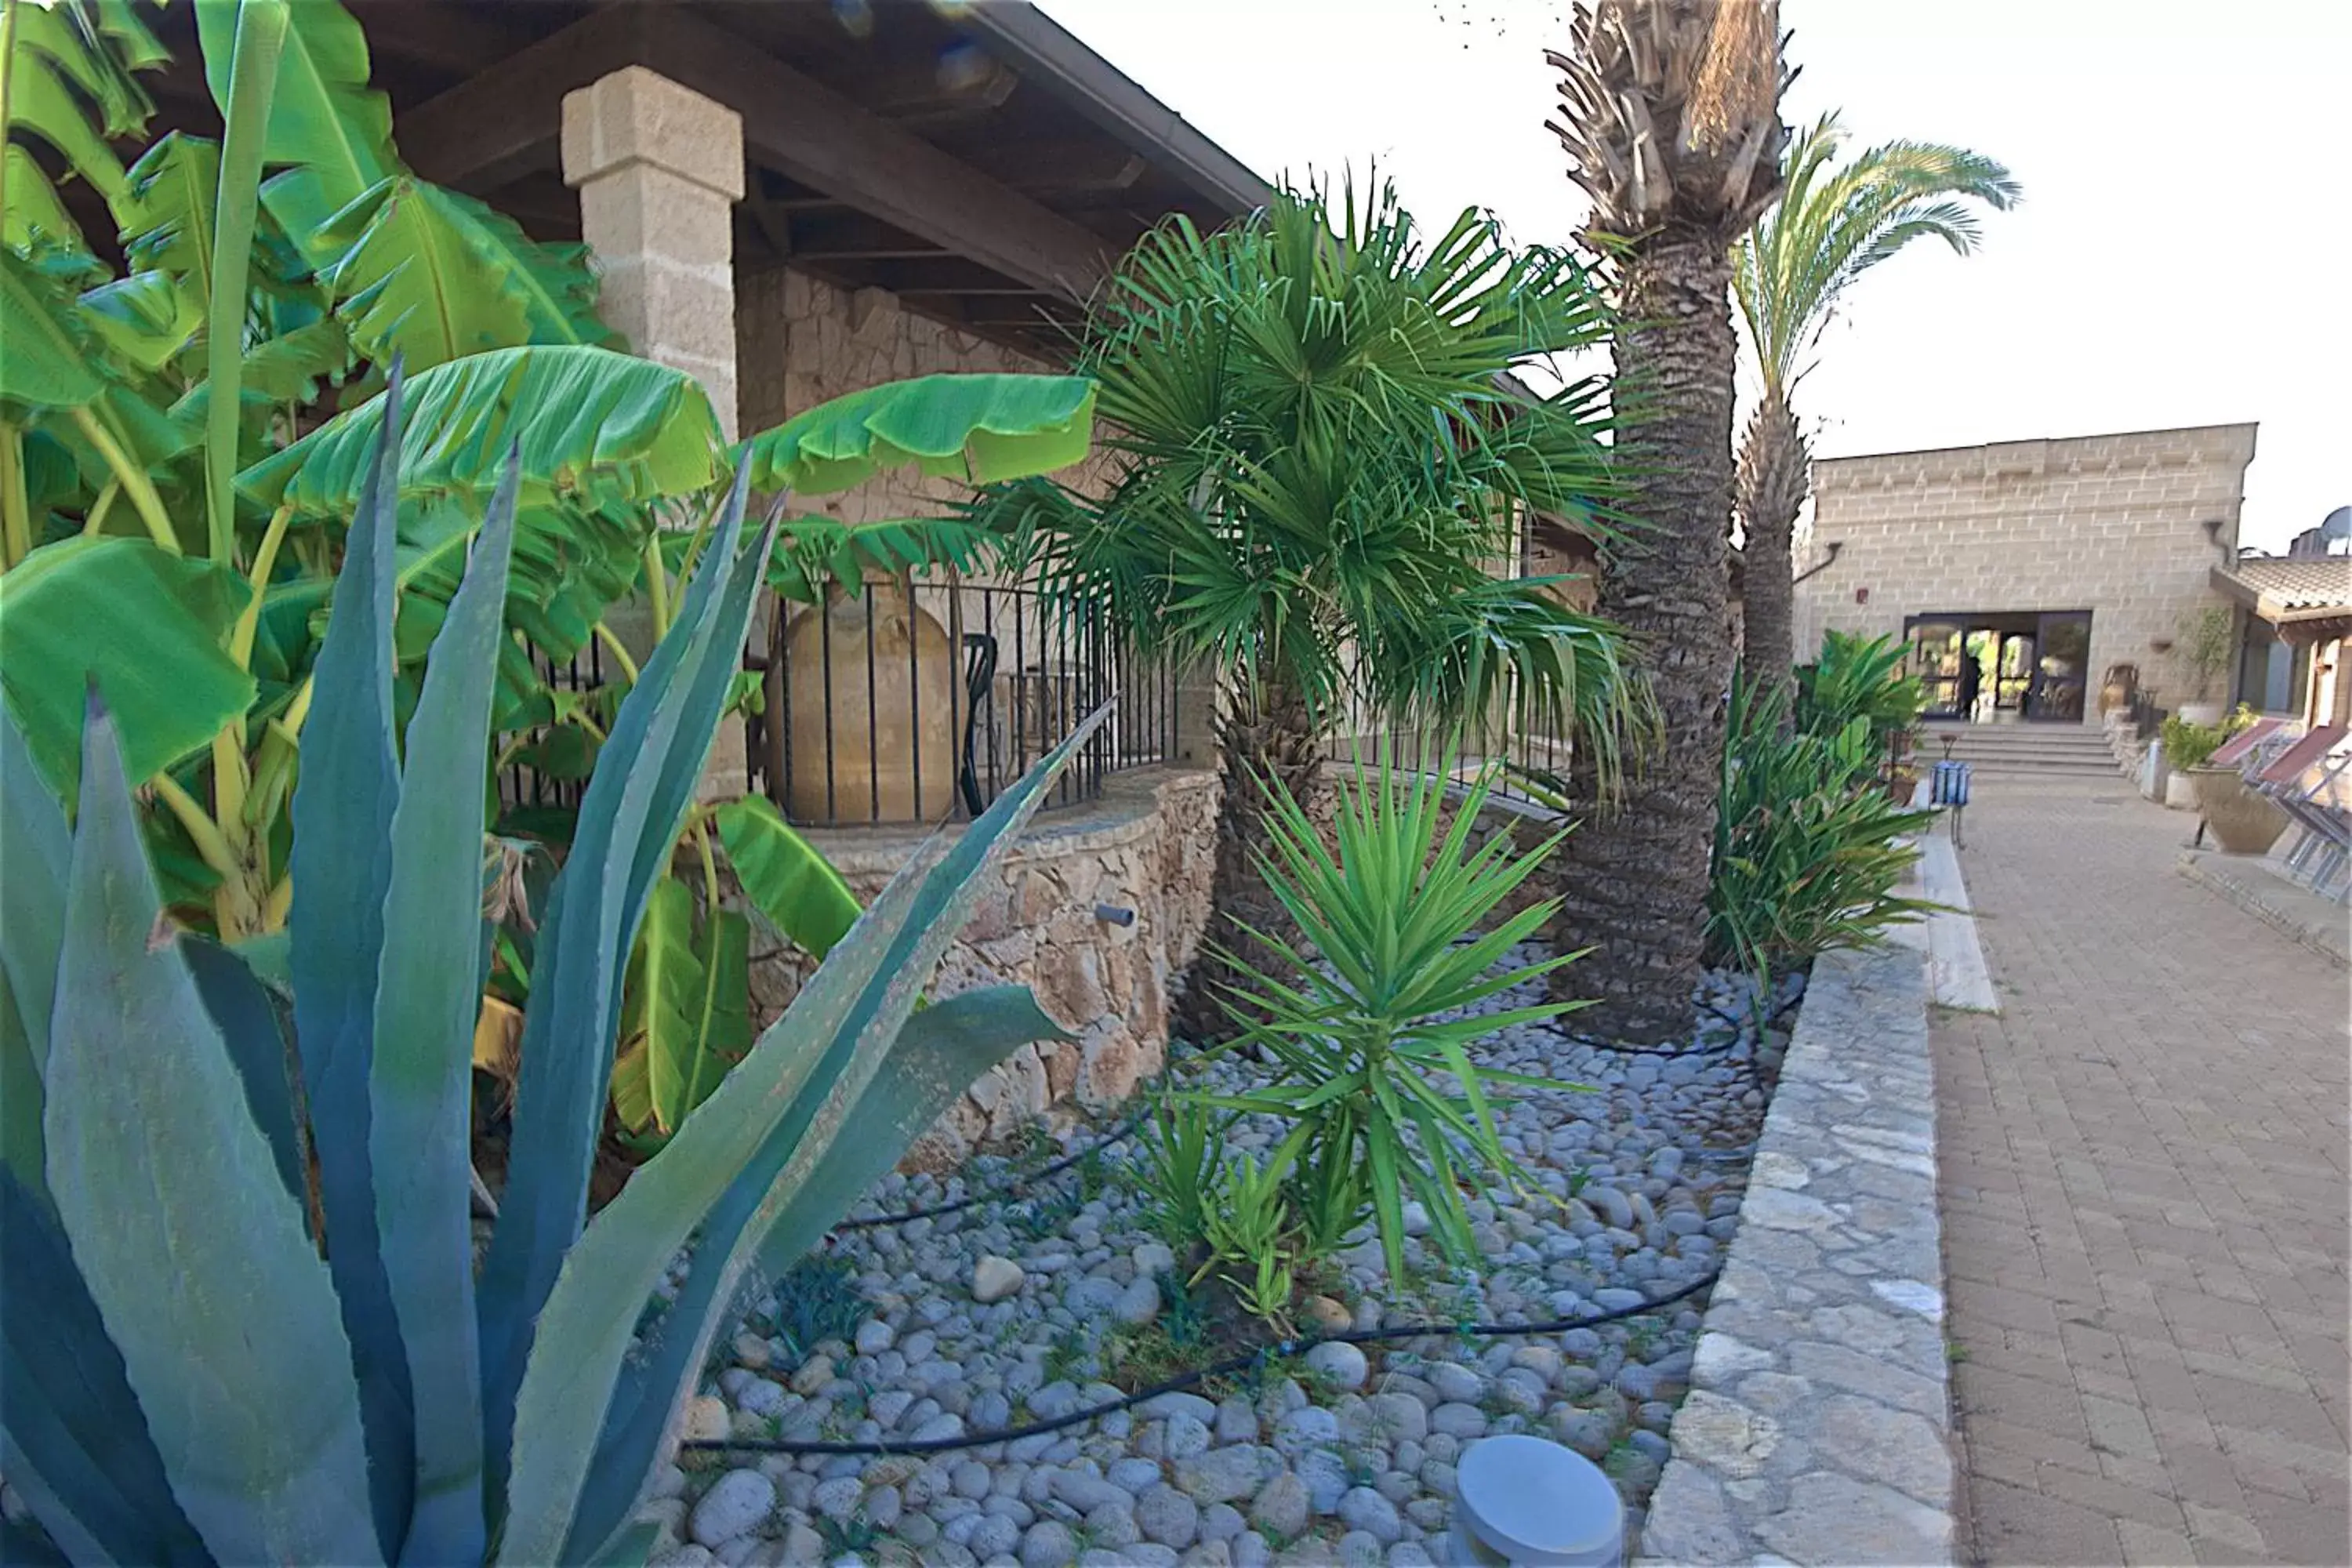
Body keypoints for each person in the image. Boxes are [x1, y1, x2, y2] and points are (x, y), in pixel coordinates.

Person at [1955, 642, 1984, 722]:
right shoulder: (1973, 667)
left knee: (1967, 697)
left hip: (1969, 684)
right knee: (1969, 697)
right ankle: (1966, 710)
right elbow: (1979, 675)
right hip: (1971, 684)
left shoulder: (1969, 666)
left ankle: (1965, 710)